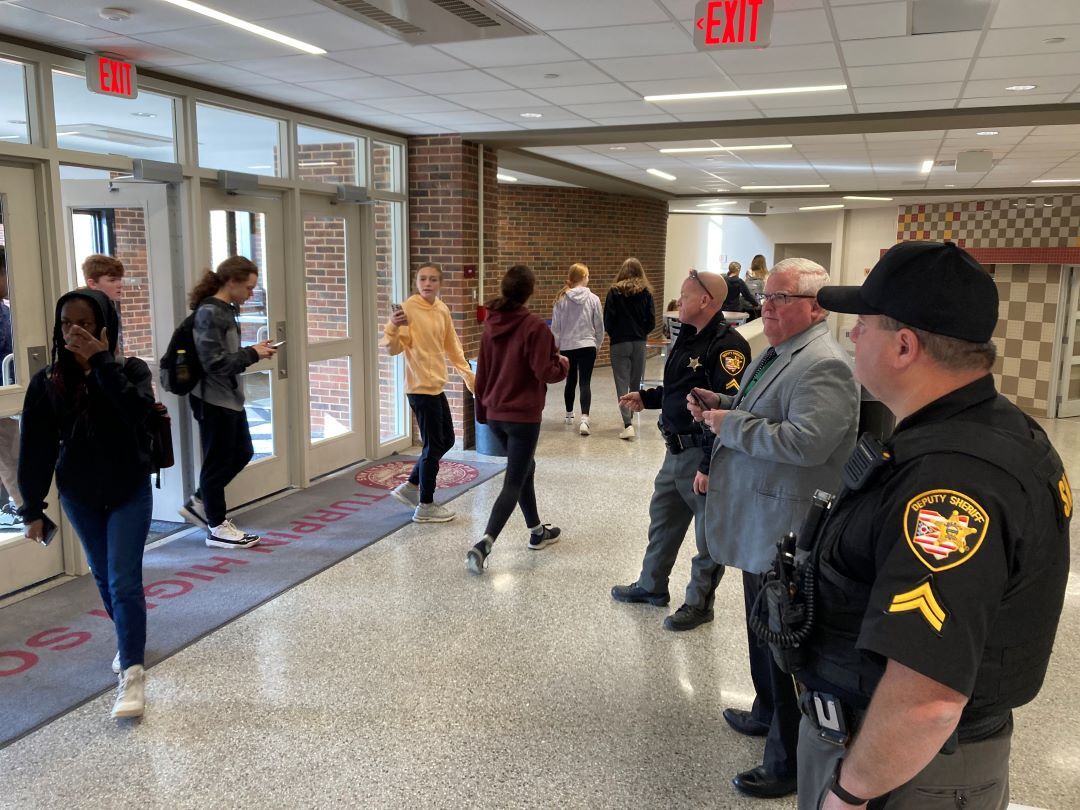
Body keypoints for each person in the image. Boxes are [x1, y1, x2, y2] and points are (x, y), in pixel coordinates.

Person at [793, 241, 1071, 810]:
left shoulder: (952, 485)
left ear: (903, 346)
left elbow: (928, 696)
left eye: (861, 326)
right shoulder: (988, 430)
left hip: (905, 767)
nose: (851, 338)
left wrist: (849, 793)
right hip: (897, 748)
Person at [690, 258, 859, 800]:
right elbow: (762, 407)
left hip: (787, 528)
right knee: (761, 630)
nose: (767, 305)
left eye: (781, 298)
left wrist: (728, 425)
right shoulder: (780, 350)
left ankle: (786, 760)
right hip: (759, 521)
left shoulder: (824, 363)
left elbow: (808, 443)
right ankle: (766, 710)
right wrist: (723, 404)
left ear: (815, 306)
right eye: (766, 295)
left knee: (784, 643)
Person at [19, 289, 156, 718]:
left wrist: (101, 362)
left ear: (104, 326)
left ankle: (132, 674)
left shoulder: (128, 370)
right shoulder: (47, 382)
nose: (73, 331)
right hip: (79, 494)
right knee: (102, 573)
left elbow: (140, 414)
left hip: (128, 488)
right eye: (65, 324)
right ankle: (127, 640)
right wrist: (32, 508)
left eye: (83, 323)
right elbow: (36, 447)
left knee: (123, 580)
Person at [611, 269, 751, 630]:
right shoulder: (687, 337)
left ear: (706, 301)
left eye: (685, 296)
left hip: (703, 454)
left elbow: (728, 408)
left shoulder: (728, 347)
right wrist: (648, 397)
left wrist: (708, 464)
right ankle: (651, 586)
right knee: (663, 521)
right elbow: (680, 390)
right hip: (673, 451)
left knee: (707, 535)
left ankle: (700, 603)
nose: (678, 302)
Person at [466, 265, 568, 574]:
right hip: (522, 416)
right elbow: (545, 372)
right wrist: (563, 365)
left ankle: (537, 532)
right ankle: (483, 543)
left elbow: (481, 373)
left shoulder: (490, 325)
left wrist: (482, 414)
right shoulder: (535, 328)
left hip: (495, 414)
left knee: (526, 467)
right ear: (530, 292)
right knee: (514, 478)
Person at [177, 256, 276, 548]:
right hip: (212, 399)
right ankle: (217, 527)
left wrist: (251, 351)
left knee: (243, 451)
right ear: (231, 282)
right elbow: (214, 362)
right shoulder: (210, 312)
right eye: (248, 288)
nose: (250, 294)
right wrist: (253, 354)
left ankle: (199, 501)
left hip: (228, 397)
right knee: (217, 461)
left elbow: (223, 355)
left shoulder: (223, 310)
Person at [382, 262, 475, 522]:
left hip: (436, 385)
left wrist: (469, 376)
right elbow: (393, 349)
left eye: (433, 279)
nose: (427, 284)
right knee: (433, 444)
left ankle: (411, 487)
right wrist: (392, 325)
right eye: (423, 279)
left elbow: (453, 345)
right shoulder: (408, 309)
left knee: (446, 440)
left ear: (440, 284)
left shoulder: (441, 309)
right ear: (416, 282)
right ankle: (425, 505)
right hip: (419, 387)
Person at [604, 258, 655, 440]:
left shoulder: (614, 291)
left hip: (619, 342)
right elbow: (651, 321)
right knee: (635, 381)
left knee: (621, 381)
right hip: (639, 342)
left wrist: (615, 333)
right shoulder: (646, 293)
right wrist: (641, 332)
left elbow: (608, 320)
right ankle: (631, 416)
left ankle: (628, 423)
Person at [551, 262, 603, 436]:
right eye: (588, 275)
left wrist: (556, 349)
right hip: (588, 345)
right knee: (585, 382)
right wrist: (598, 344)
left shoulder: (560, 300)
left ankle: (568, 415)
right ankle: (585, 420)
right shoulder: (594, 299)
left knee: (570, 381)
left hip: (567, 346)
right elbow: (599, 326)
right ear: (584, 278)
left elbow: (555, 328)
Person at [0, 247, 23, 528]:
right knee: (10, 459)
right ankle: (28, 514)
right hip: (5, 396)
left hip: (11, 395)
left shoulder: (5, 309)